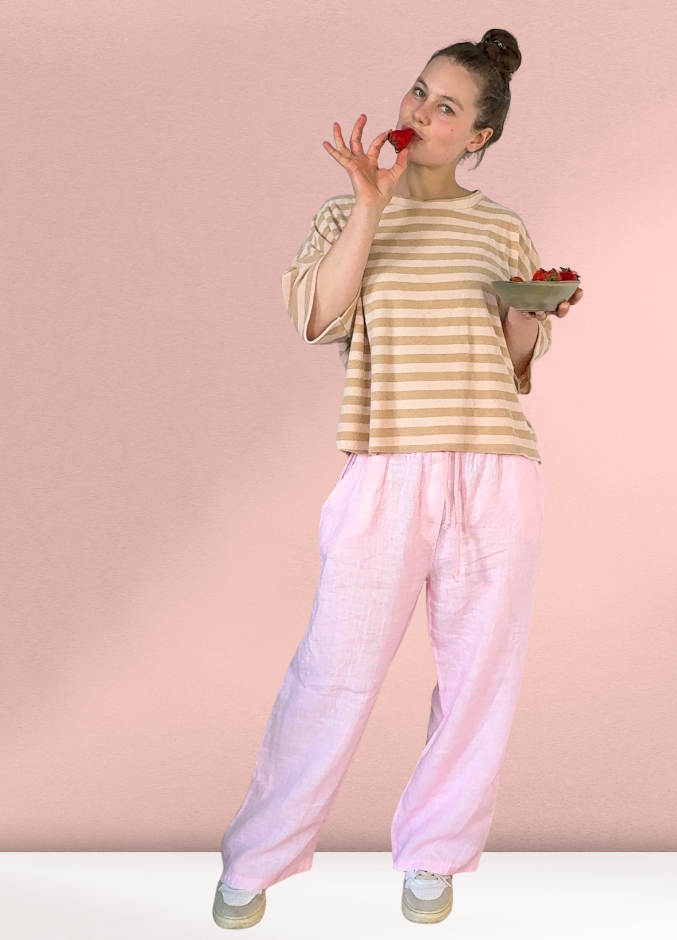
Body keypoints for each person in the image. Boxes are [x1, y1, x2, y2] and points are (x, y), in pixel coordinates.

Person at [212, 27, 584, 930]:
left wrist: (535, 310)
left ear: (480, 136)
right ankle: (257, 858)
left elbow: (515, 361)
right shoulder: (344, 213)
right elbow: (318, 315)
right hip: (387, 466)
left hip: (495, 468)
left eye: (446, 107)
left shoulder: (499, 226)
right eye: (419, 90)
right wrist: (369, 204)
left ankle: (435, 854)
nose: (418, 111)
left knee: (479, 679)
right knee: (331, 674)